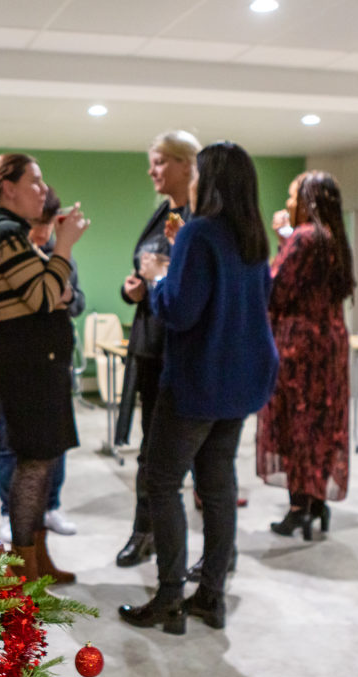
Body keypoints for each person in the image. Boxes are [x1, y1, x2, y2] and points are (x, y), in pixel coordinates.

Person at [118, 141, 278, 634]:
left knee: (161, 482)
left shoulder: (198, 234)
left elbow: (181, 312)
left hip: (198, 380)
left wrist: (159, 278)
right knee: (218, 483)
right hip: (242, 381)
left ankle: (169, 598)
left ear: (206, 180)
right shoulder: (252, 237)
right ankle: (211, 595)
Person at [0, 153, 89, 582]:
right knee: (33, 465)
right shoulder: (4, 235)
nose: (42, 189)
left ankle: (39, 558)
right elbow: (43, 297)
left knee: (44, 462)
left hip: (39, 366)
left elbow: (62, 293)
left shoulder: (9, 234)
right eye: (34, 182)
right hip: (28, 369)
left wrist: (55, 284)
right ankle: (23, 568)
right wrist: (66, 246)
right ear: (7, 187)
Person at [114, 129, 201, 569]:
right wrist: (134, 289)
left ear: (188, 164)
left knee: (186, 457)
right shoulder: (161, 214)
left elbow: (189, 284)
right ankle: (142, 531)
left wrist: (159, 275)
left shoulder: (200, 218)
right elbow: (144, 272)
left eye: (160, 162)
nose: (152, 171)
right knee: (150, 451)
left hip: (180, 349)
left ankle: (193, 552)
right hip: (148, 344)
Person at [256, 170, 355, 540]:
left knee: (296, 425)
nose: (288, 202)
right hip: (330, 342)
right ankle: (315, 502)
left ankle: (299, 508)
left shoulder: (304, 237)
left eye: (293, 195)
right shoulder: (332, 238)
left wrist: (280, 244)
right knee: (320, 425)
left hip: (300, 346)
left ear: (309, 201)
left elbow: (275, 288)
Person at [0, 187, 85, 547]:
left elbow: (76, 300)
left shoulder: (62, 256)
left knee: (53, 449)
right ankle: (11, 515)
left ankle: (49, 508)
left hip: (54, 368)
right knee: (13, 447)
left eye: (49, 223)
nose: (43, 231)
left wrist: (67, 297)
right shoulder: (12, 254)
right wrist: (52, 297)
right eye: (37, 223)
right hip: (22, 369)